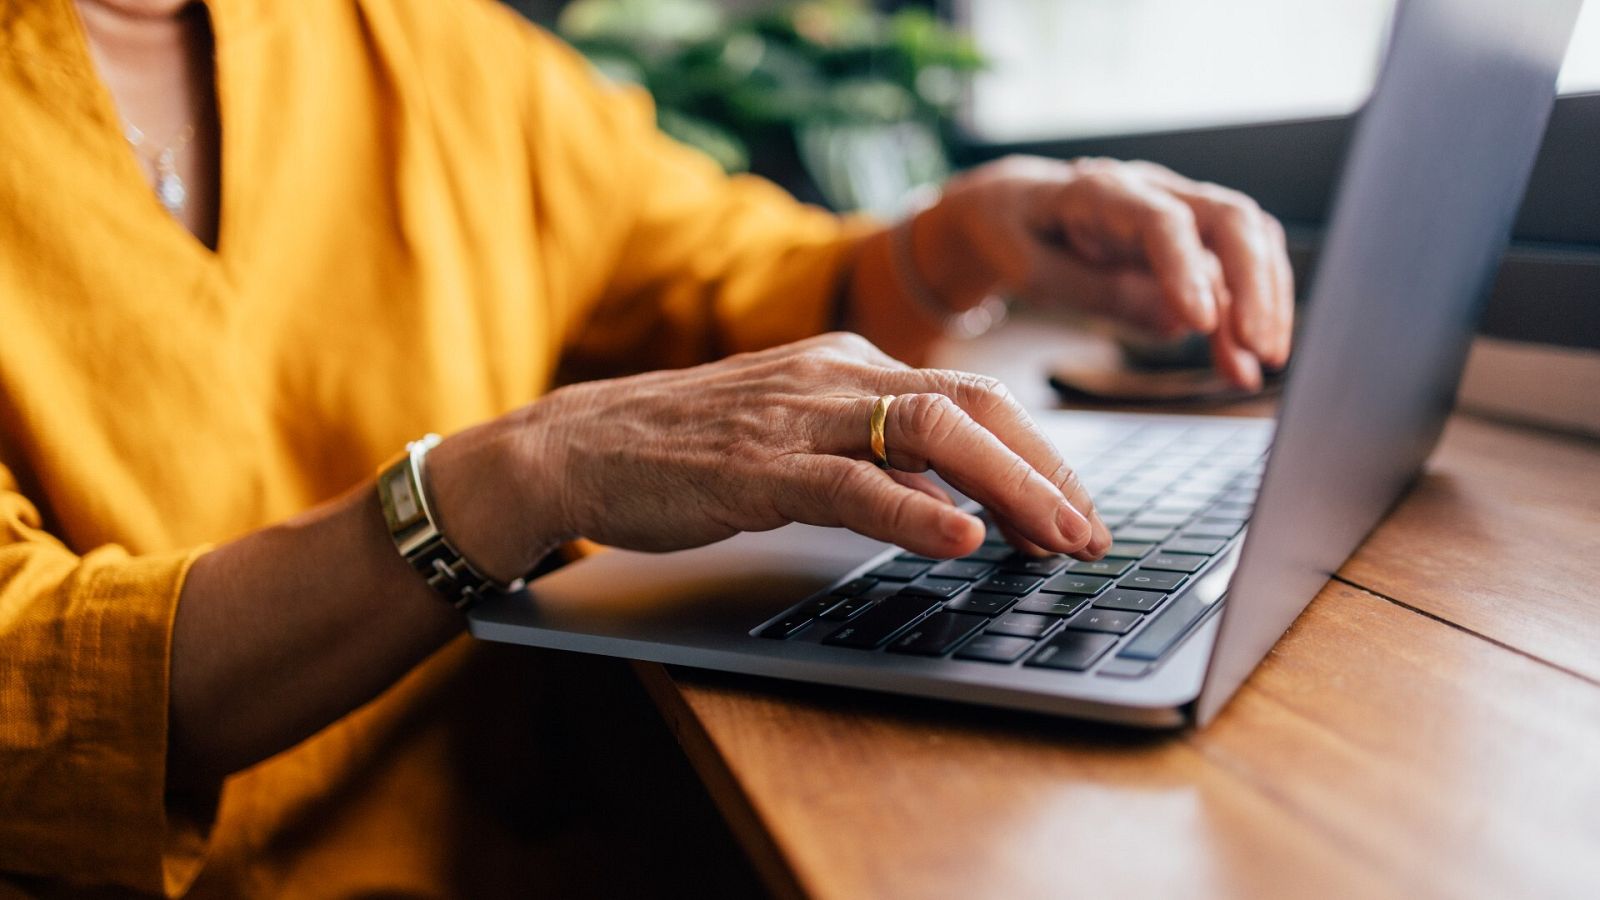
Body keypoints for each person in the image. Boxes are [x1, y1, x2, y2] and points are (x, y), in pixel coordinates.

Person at [0, 0, 1294, 895]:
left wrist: (958, 241)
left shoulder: (428, 45)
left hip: (532, 839)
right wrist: (517, 473)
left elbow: (722, 279)